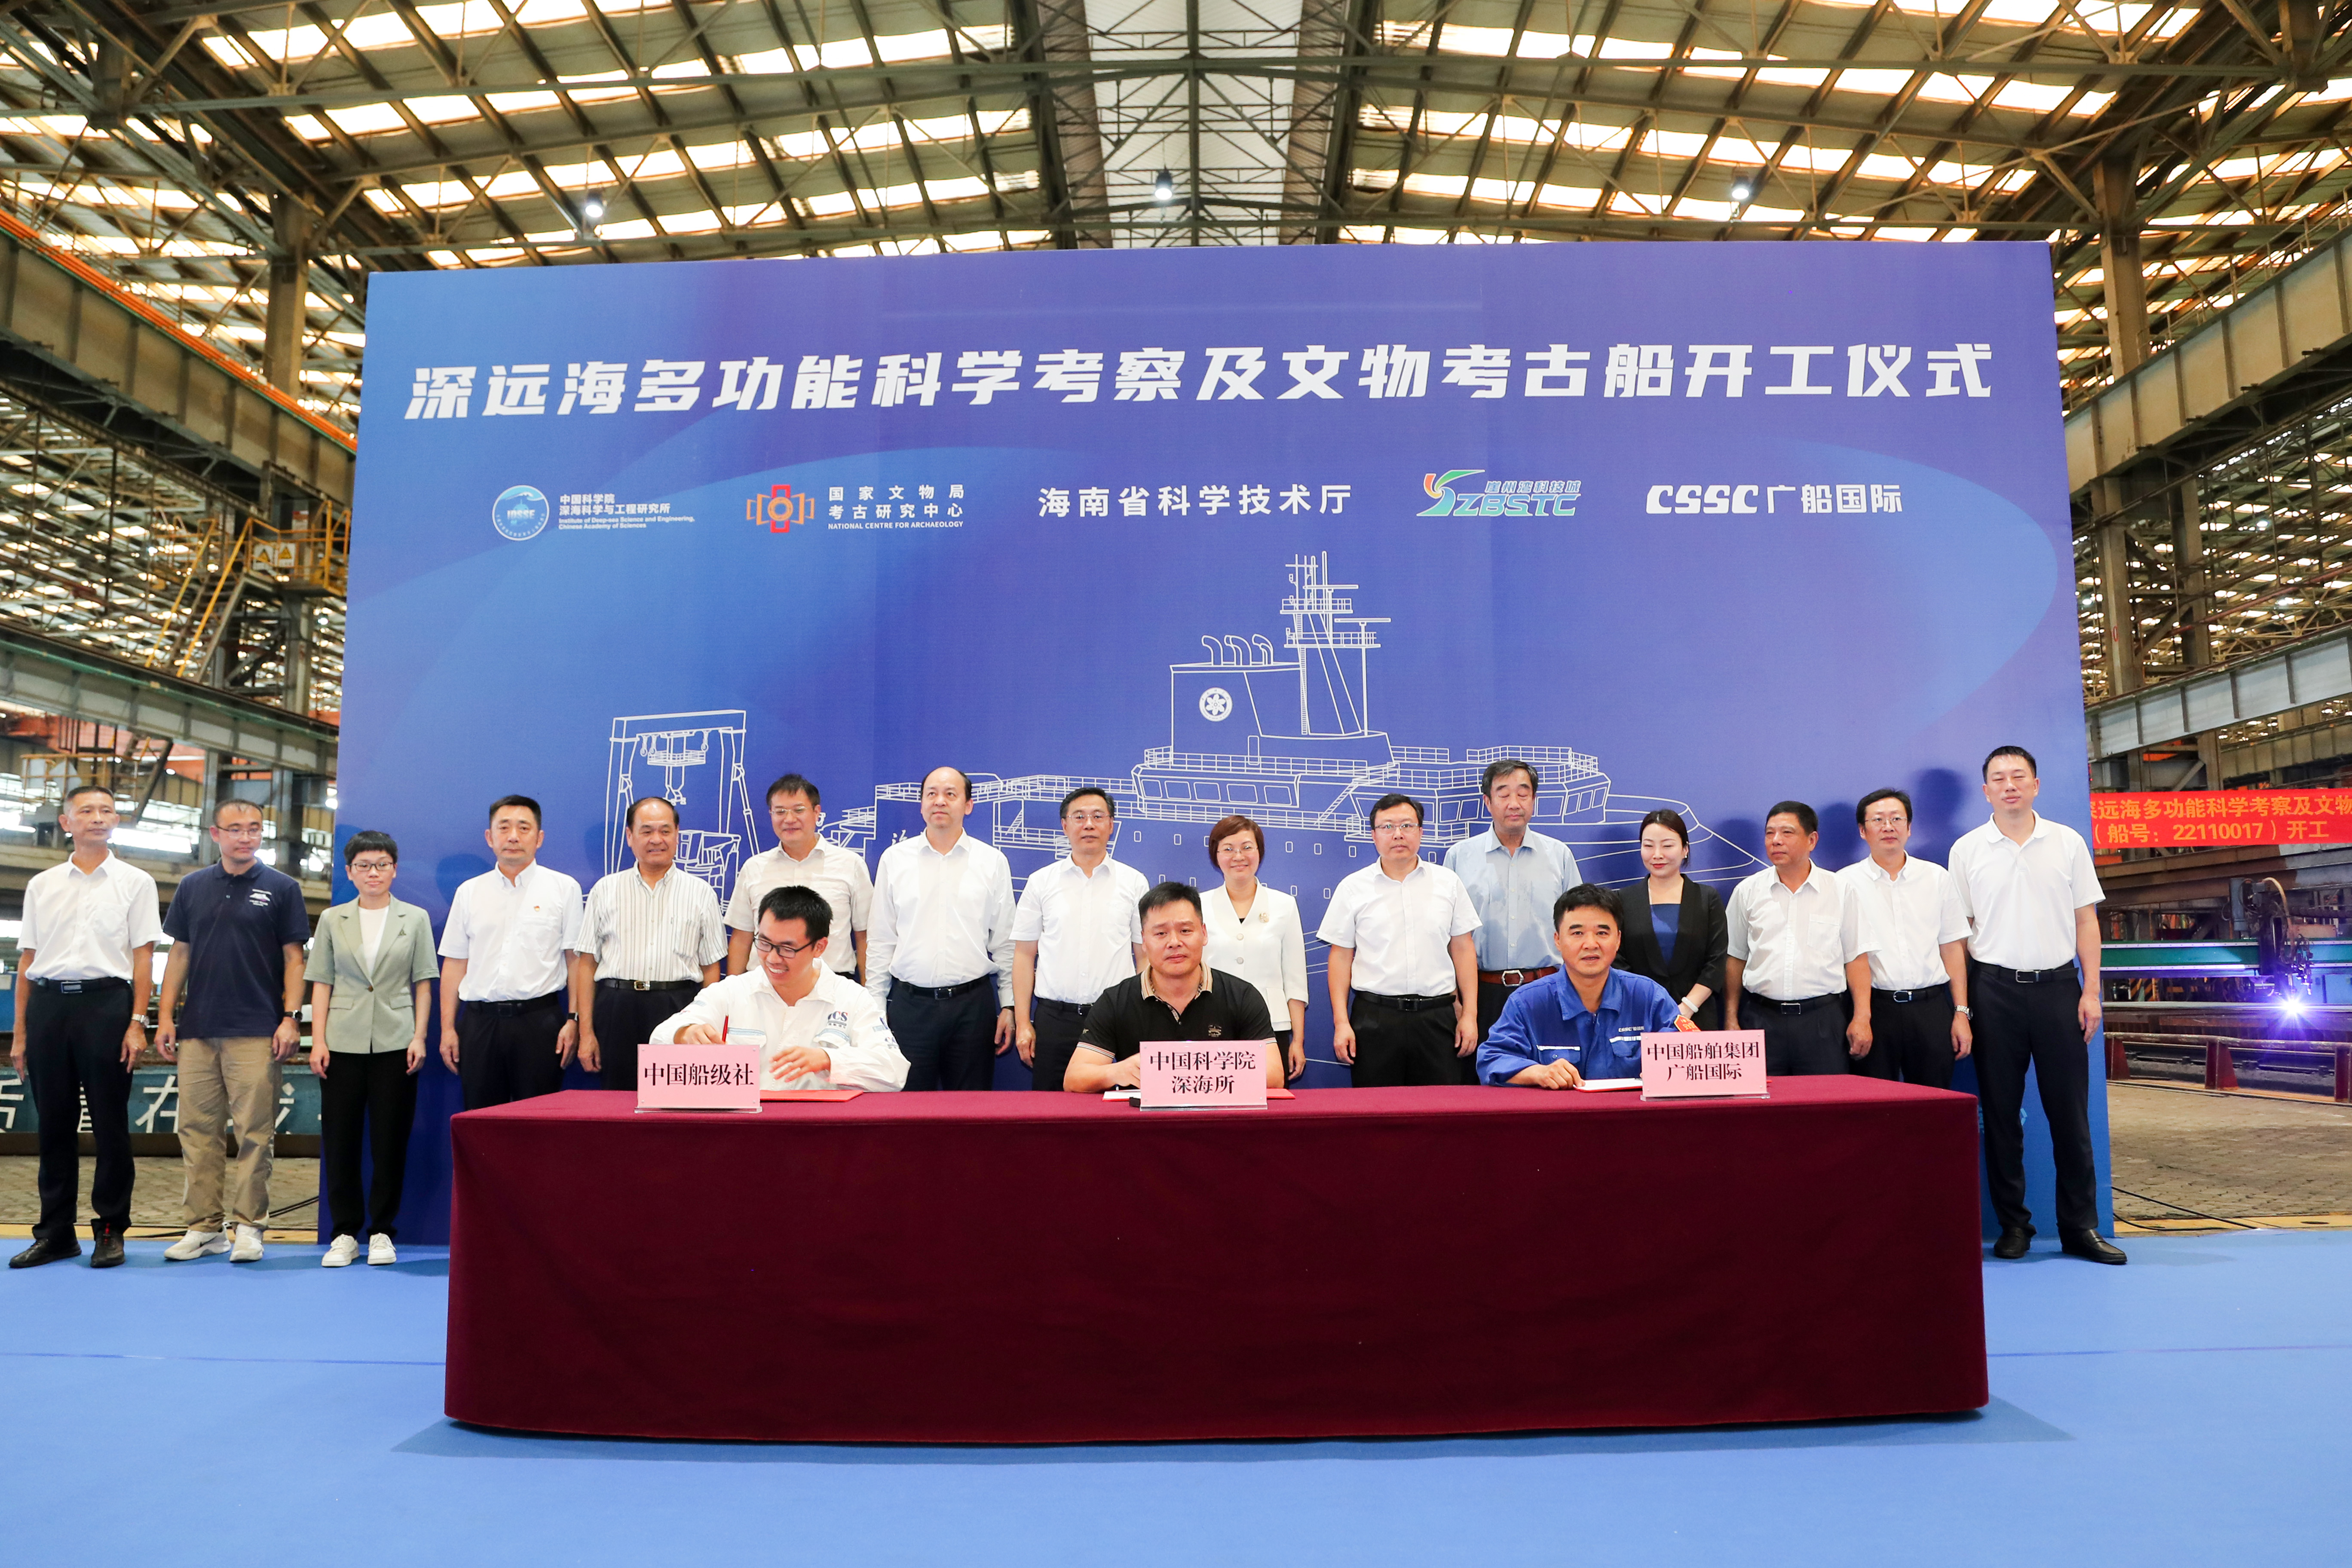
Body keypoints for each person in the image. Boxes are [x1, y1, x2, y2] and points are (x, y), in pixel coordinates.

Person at [1949, 745, 2124, 1265]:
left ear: (2036, 785)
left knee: (2070, 1114)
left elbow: (2087, 921)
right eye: (1999, 778)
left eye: (2019, 776)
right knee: (2002, 1114)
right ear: (1986, 791)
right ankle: (2014, 1226)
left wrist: (2091, 991)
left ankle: (2080, 1227)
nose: (2010, 785)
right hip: (1993, 991)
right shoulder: (1967, 850)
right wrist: (1964, 1007)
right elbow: (1958, 935)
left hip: (2058, 990)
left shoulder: (2067, 843)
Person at [8, 784, 159, 1270]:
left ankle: (111, 1228)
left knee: (110, 1122)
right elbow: (28, 960)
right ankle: (55, 1233)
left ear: (116, 821)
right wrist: (21, 1033)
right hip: (48, 1006)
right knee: (53, 1124)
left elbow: (143, 958)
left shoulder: (136, 882)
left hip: (107, 1005)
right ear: (66, 822)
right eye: (87, 811)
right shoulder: (43, 885)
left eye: (107, 811)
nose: (98, 818)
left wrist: (137, 1022)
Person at [155, 798, 309, 1265]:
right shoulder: (193, 886)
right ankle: (204, 1228)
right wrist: (165, 1017)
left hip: (256, 1029)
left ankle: (249, 1226)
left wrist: (290, 1017)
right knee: (197, 1131)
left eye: (255, 828)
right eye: (236, 829)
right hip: (198, 1029)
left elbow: (295, 959)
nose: (246, 836)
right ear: (215, 834)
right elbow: (179, 954)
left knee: (254, 1133)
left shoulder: (282, 888)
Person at [304, 830, 438, 1268]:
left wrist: (419, 1036)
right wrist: (318, 1040)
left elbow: (424, 983)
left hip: (397, 1042)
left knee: (390, 1141)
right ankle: (344, 1233)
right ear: (349, 872)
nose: (373, 873)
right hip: (340, 1043)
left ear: (394, 869)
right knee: (340, 1141)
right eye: (364, 865)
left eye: (382, 864)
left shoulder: (414, 918)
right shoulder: (332, 919)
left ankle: (382, 1231)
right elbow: (321, 983)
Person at [653, 886, 908, 1091]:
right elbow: (658, 1040)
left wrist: (829, 1060)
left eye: (787, 949)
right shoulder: (731, 992)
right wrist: (685, 1033)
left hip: (818, 1129)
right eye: (764, 943)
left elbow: (895, 1072)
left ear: (819, 947)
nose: (773, 959)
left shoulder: (852, 998)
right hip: (746, 1126)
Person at [865, 766, 1016, 1090]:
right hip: (910, 1008)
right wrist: (876, 1005)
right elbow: (881, 940)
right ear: (921, 805)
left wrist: (1009, 1005)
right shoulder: (895, 860)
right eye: (931, 794)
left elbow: (1005, 942)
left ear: (968, 805)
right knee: (907, 1110)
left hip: (972, 1008)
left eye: (950, 794)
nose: (940, 801)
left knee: (970, 1110)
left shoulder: (992, 862)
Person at [1319, 793, 1481, 1087]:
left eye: (1407, 825)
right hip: (1375, 1019)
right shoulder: (1353, 888)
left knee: (1441, 1108)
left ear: (1421, 832)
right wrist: (1341, 1023)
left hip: (1438, 1019)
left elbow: (1463, 948)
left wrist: (1470, 1015)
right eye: (1387, 827)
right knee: (1376, 1110)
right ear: (1374, 835)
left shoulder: (1448, 883)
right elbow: (1340, 957)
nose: (1398, 834)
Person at [438, 795, 584, 1109]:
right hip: (479, 1024)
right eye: (504, 828)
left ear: (539, 838)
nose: (514, 836)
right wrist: (448, 1029)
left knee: (538, 1122)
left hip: (540, 1023)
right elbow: (455, 963)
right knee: (481, 1120)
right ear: (490, 837)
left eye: (524, 828)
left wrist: (574, 1020)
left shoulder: (564, 888)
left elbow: (575, 960)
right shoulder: (469, 892)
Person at [1064, 882, 1282, 1092]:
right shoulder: (1116, 1001)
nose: (1174, 942)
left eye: (1185, 931)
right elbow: (1075, 1078)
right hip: (1143, 1117)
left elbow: (1273, 1075)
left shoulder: (1242, 996)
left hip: (1218, 1114)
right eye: (1161, 933)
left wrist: (1199, 1072)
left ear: (1204, 934)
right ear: (1144, 941)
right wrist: (1117, 1071)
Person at [572, 796, 726, 1090]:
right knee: (618, 1102)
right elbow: (587, 964)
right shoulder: (605, 890)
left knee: (678, 1100)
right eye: (647, 831)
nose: (657, 839)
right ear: (630, 836)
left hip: (679, 1007)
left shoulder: (701, 893)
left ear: (677, 835)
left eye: (665, 831)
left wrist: (706, 1023)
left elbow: (711, 968)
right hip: (617, 1009)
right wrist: (587, 1033)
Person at [1442, 758, 1581, 1080]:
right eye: (1503, 794)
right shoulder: (1460, 857)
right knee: (1479, 1088)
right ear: (1488, 802)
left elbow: (1578, 928)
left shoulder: (1559, 855)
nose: (1514, 803)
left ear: (1534, 800)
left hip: (1547, 991)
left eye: (1523, 793)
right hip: (1481, 995)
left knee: (1552, 1084)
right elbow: (1445, 936)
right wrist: (1456, 1001)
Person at [1480, 885, 1694, 1088]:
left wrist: (1668, 1069)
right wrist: (1538, 1073)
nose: (1591, 944)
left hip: (1632, 1113)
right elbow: (1492, 1060)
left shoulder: (1649, 997)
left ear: (1618, 940)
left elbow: (1689, 1050)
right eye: (1577, 933)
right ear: (1558, 940)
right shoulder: (1528, 1003)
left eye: (1602, 933)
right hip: (1559, 1114)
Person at [1721, 800, 1876, 1076]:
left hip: (1823, 1021)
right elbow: (1735, 958)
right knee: (1762, 1102)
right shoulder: (1748, 891)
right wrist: (1731, 1018)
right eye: (1770, 833)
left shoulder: (1840, 891)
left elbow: (1856, 959)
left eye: (1787, 833)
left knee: (1824, 1101)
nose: (1776, 841)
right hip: (1760, 1019)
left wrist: (1862, 1018)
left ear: (1812, 840)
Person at [1011, 786, 1145, 1093]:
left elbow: (1145, 956)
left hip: (1115, 1018)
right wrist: (1023, 1023)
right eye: (1079, 817)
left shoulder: (1134, 882)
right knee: (1050, 1112)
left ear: (1111, 825)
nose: (1089, 825)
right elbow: (1024, 955)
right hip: (1054, 1020)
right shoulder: (1041, 882)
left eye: (1098, 817)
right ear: (1065, 825)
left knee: (1116, 1112)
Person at [1837, 789, 1972, 1088]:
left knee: (1933, 1103)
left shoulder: (1936, 877)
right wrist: (1861, 1017)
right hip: (1875, 1010)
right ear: (1862, 831)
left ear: (1909, 828)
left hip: (1931, 1008)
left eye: (1897, 819)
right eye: (1878, 820)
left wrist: (1961, 1012)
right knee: (1874, 1103)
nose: (1888, 827)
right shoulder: (1844, 883)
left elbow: (1952, 948)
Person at [726, 773, 872, 981]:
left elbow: (865, 937)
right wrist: (732, 993)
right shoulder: (754, 868)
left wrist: (869, 993)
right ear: (771, 814)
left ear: (817, 812)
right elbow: (742, 938)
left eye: (799, 810)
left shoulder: (850, 865)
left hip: (831, 985)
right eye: (780, 812)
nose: (789, 819)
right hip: (765, 984)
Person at [1201, 815, 1309, 1079]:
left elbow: (1295, 979)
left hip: (1271, 1025)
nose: (1239, 856)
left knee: (1267, 1100)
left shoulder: (1285, 905)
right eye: (1228, 849)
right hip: (1211, 1023)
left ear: (1259, 852)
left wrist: (1298, 1040)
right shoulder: (1198, 906)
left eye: (1247, 847)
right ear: (1216, 856)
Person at [1613, 808, 1730, 1030]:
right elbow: (1617, 960)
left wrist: (1687, 1008)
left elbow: (1716, 962)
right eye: (1649, 846)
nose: (1657, 855)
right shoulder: (1623, 900)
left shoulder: (1707, 899)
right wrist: (1651, 1007)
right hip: (1639, 1015)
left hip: (1698, 1017)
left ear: (1685, 849)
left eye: (1667, 846)